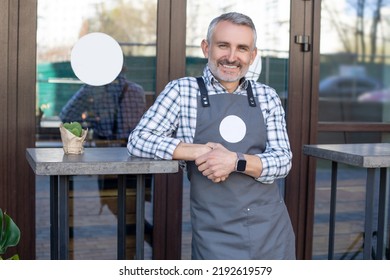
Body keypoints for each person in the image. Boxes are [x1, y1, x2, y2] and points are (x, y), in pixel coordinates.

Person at [127, 12, 295, 260]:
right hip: (214, 230)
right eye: (223, 45)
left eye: (242, 48)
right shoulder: (182, 91)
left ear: (252, 55)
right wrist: (198, 151)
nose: (231, 57)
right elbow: (139, 140)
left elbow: (283, 161)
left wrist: (234, 161)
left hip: (269, 230)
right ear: (207, 48)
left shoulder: (266, 96)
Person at [60, 71, 146, 142]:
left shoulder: (93, 89)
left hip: (103, 148)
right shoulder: (138, 90)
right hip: (131, 148)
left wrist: (91, 121)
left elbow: (66, 116)